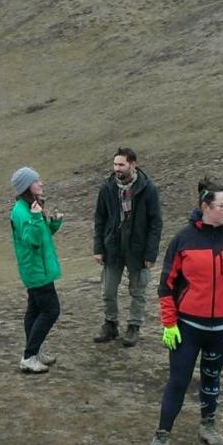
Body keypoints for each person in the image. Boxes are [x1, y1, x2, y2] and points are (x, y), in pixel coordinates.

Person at [144, 179, 223, 445]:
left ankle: (208, 425)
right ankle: (162, 436)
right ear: (205, 207)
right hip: (188, 327)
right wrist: (169, 324)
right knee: (178, 381)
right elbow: (166, 286)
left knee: (212, 377)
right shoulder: (183, 240)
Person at [92, 147, 163, 347]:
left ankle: (134, 326)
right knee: (108, 290)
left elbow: (155, 223)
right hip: (112, 247)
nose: (117, 168)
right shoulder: (107, 188)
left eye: (121, 164)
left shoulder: (148, 189)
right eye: (115, 164)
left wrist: (151, 253)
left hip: (137, 249)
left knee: (138, 290)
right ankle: (111, 323)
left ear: (133, 164)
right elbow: (100, 218)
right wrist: (98, 247)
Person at [9, 166, 64, 373]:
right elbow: (31, 240)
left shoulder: (31, 207)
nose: (41, 183)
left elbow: (42, 235)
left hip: (39, 268)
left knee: (34, 310)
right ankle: (29, 356)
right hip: (35, 270)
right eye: (36, 181)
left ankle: (34, 351)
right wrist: (34, 218)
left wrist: (54, 223)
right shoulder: (22, 212)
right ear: (26, 186)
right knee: (51, 310)